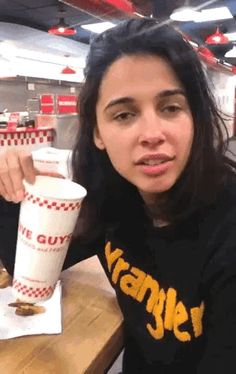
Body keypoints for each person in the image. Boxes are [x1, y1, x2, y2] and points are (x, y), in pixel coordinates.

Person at [0, 18, 236, 373]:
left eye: (170, 107)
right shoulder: (114, 199)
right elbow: (30, 274)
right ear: (98, 133)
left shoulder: (227, 234)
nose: (151, 133)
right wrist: (10, 191)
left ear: (196, 118)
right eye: (124, 114)